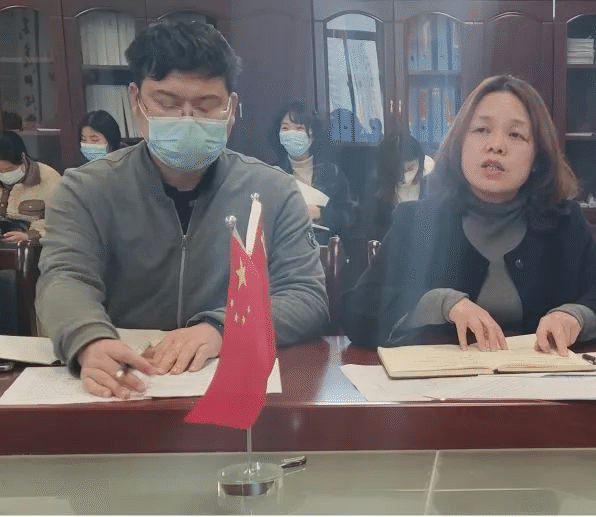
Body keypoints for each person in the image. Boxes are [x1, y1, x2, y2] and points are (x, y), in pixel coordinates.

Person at [36, 20, 329, 399]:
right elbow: (64, 279)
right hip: (127, 385)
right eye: (168, 103)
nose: (186, 119)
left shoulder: (273, 191)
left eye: (206, 106)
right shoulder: (84, 189)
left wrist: (221, 328)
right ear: (135, 100)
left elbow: (306, 296)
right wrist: (89, 340)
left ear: (231, 108)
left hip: (235, 391)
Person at [343, 75, 596, 353]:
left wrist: (576, 317)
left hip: (538, 384)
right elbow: (357, 310)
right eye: (481, 130)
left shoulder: (564, 221)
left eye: (516, 134)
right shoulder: (418, 222)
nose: (496, 145)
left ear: (537, 157)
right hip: (441, 385)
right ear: (460, 145)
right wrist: (440, 304)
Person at [270, 100, 354, 238]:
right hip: (286, 245)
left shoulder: (332, 173)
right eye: (285, 128)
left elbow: (348, 218)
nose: (291, 133)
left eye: (299, 128)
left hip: (324, 246)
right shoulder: (272, 173)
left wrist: (320, 213)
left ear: (312, 135)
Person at [0, 130, 61, 243]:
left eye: (8, 170)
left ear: (22, 157)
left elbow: (60, 220)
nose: (4, 174)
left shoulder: (48, 178)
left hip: (36, 244)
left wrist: (29, 236)